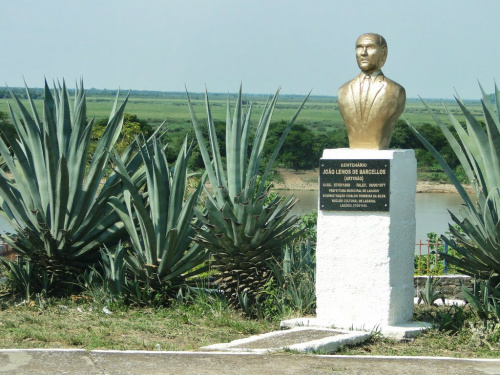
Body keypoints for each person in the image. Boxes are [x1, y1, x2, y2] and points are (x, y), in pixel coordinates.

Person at [338, 33, 406, 149]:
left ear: (383, 52)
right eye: (359, 47)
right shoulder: (343, 90)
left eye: (370, 47)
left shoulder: (395, 91)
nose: (363, 53)